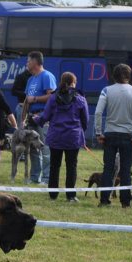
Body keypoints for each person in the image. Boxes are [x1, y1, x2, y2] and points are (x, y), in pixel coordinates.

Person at [94, 63, 132, 208]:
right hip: (128, 135)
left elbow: (98, 112)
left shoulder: (106, 90)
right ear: (129, 76)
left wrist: (98, 132)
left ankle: (104, 200)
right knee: (126, 170)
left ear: (113, 76)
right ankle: (125, 202)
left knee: (108, 169)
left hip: (110, 134)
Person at [35, 71, 88, 202]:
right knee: (72, 166)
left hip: (56, 136)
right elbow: (85, 120)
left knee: (54, 165)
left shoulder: (53, 98)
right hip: (73, 137)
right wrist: (80, 131)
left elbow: (45, 116)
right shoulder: (80, 98)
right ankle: (71, 196)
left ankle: (53, 195)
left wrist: (36, 119)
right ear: (73, 83)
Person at [24, 51, 57, 184]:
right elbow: (27, 100)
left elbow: (52, 96)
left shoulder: (47, 76)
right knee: (33, 148)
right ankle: (34, 177)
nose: (27, 63)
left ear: (35, 62)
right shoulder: (30, 79)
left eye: (28, 61)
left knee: (45, 148)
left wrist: (36, 99)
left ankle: (46, 178)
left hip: (44, 117)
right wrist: (23, 118)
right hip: (31, 117)